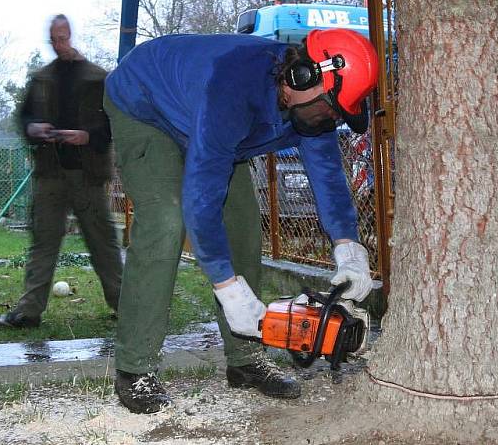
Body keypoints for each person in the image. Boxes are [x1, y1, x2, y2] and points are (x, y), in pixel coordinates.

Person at [104, 28, 378, 414]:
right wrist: (226, 286)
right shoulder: (233, 87)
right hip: (146, 104)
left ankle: (246, 361)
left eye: (336, 113)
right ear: (302, 75)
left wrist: (348, 248)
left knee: (244, 232)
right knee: (166, 219)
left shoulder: (312, 106)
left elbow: (329, 177)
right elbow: (201, 201)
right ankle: (135, 369)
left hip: (207, 123)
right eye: (328, 108)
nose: (328, 119)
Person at [0, 15, 123, 329]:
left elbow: (115, 123)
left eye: (63, 36)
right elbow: (23, 119)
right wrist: (33, 127)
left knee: (103, 242)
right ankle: (28, 312)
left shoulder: (98, 78)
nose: (60, 42)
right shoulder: (41, 78)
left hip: (88, 176)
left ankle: (126, 306)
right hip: (49, 175)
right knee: (43, 243)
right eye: (54, 38)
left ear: (71, 34)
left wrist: (87, 136)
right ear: (50, 39)